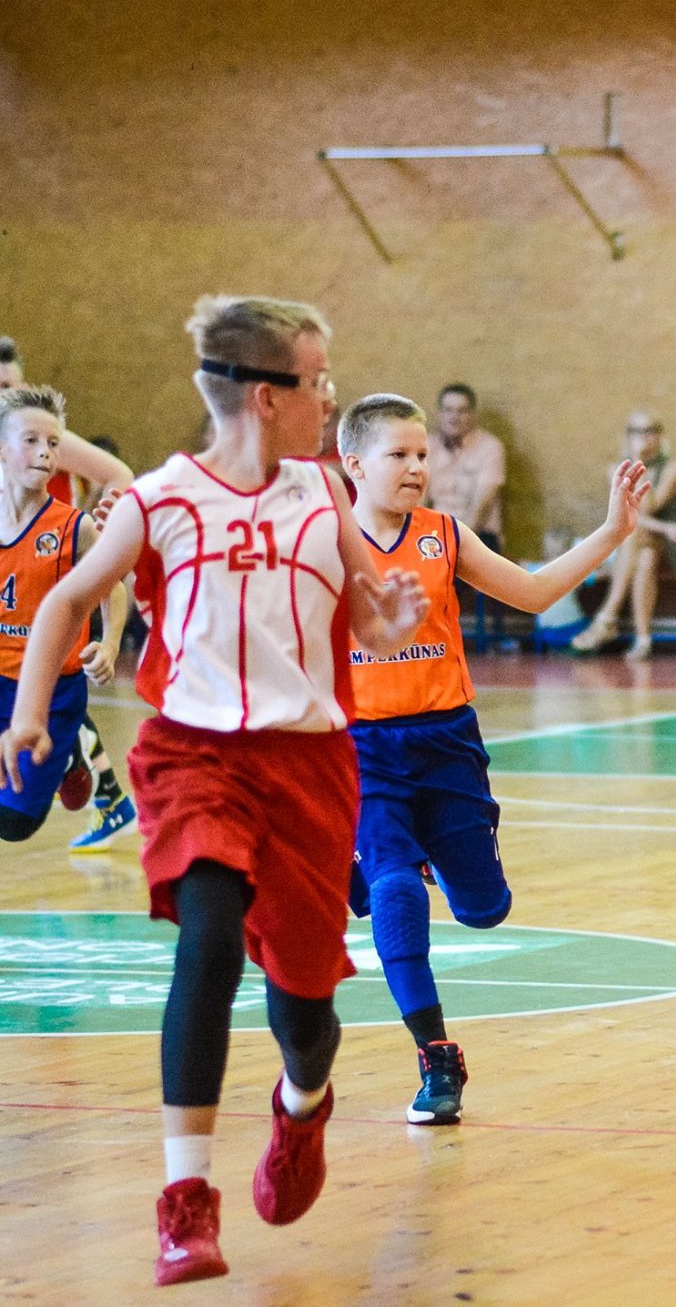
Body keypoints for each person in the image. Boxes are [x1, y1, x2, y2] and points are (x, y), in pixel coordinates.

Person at [0, 296, 425, 1287]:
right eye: (317, 380)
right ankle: (184, 1200)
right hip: (194, 756)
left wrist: (391, 622)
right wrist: (26, 715)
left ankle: (302, 1105)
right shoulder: (162, 499)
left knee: (303, 1010)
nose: (330, 397)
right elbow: (67, 599)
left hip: (308, 764)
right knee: (208, 945)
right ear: (265, 396)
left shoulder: (324, 496)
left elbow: (368, 618)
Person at [339, 393, 649, 1123]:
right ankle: (435, 1053)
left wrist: (612, 530)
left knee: (485, 909)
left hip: (446, 742)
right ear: (354, 464)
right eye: (398, 454)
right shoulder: (324, 546)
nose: (417, 467)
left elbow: (535, 594)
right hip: (365, 751)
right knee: (396, 891)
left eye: (422, 455)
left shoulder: (444, 534)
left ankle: (410, 859)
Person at [0, 336, 140, 848]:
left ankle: (74, 760)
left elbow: (113, 586)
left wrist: (109, 642)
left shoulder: (73, 526)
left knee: (14, 823)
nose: (45, 451)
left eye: (9, 384)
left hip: (51, 674)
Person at [572, 411, 676, 660]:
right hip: (644, 544)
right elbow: (628, 515)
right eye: (637, 431)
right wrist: (664, 527)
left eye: (651, 431)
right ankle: (643, 640)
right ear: (628, 436)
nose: (645, 437)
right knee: (644, 556)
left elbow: (648, 506)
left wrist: (640, 463)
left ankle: (607, 618)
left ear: (660, 436)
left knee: (633, 535)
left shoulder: (674, 467)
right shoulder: (615, 470)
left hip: (674, 545)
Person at [425, 382, 509, 644]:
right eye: (448, 410)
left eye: (462, 410)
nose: (454, 417)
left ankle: (437, 630)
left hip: (476, 533)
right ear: (439, 413)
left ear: (472, 414)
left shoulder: (490, 448)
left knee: (448, 562)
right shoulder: (426, 447)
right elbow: (419, 501)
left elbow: (480, 507)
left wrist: (455, 540)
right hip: (434, 532)